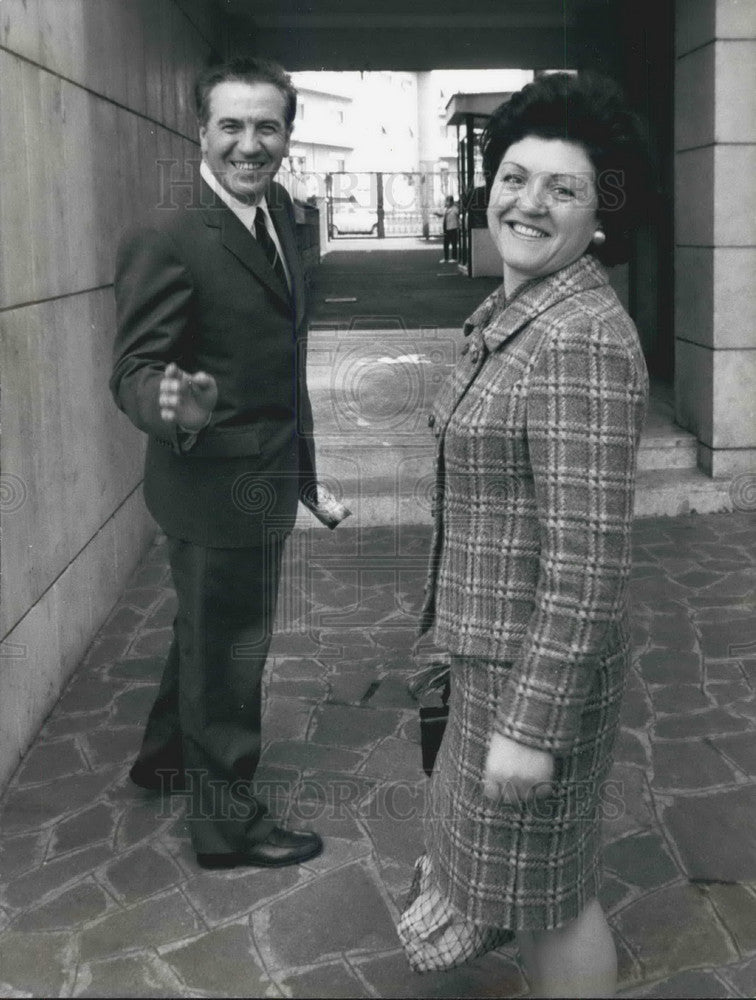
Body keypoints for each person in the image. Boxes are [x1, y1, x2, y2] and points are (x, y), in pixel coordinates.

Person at [399, 72, 651, 997]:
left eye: (562, 188)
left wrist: (530, 729)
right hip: (493, 661)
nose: (528, 202)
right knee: (534, 890)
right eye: (514, 177)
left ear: (600, 215)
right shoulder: (524, 312)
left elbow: (587, 564)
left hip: (530, 679)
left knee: (552, 898)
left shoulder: (577, 337)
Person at [110, 57, 324, 870]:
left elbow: (281, 359)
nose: (249, 143)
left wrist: (305, 474)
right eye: (231, 125)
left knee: (205, 631)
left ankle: (164, 759)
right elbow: (134, 369)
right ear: (200, 130)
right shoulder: (167, 236)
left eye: (267, 126)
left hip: (263, 476)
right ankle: (228, 829)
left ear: (288, 134)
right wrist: (173, 402)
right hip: (211, 486)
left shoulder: (283, 216)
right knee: (229, 653)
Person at [438, 195, 459, 263]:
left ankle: (454, 258)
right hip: (446, 228)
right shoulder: (445, 209)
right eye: (446, 201)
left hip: (453, 228)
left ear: (451, 202)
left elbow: (458, 214)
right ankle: (446, 258)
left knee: (453, 243)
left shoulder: (455, 209)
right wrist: (437, 214)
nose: (446, 203)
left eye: (448, 201)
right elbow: (442, 215)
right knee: (445, 244)